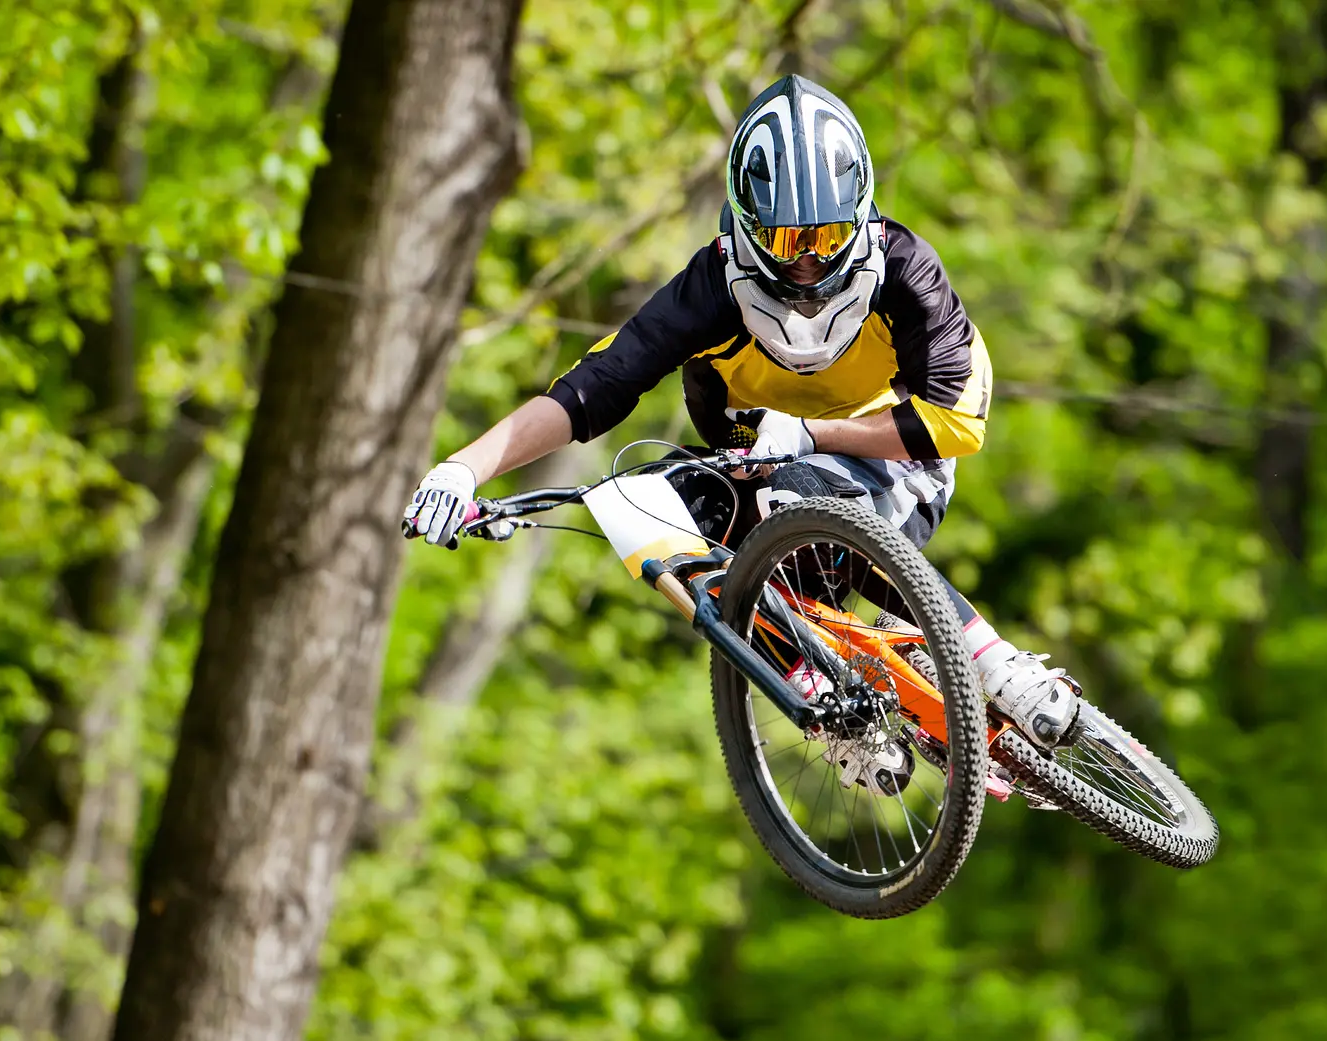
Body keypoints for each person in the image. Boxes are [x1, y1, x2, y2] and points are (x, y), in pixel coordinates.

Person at [401, 75, 1080, 749]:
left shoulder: (905, 270)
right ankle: (818, 694)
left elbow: (955, 427)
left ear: (861, 216)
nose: (809, 262)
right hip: (761, 469)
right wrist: (463, 469)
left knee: (798, 490)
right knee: (650, 509)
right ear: (747, 230)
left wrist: (811, 434)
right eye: (786, 241)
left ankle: (995, 662)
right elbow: (590, 389)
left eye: (827, 236)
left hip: (902, 456)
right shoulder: (711, 289)